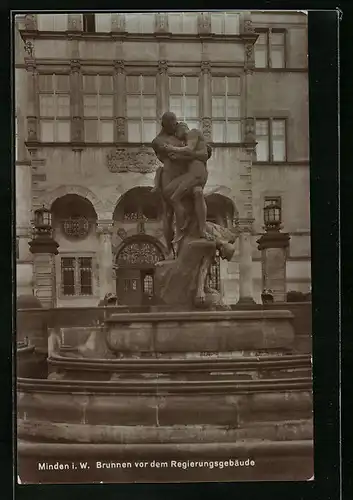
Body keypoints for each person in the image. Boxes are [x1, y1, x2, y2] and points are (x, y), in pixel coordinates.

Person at [159, 122, 209, 239]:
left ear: (183, 128)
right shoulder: (190, 141)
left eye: (177, 132)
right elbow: (194, 154)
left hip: (197, 174)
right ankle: (187, 224)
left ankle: (186, 228)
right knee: (170, 191)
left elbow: (190, 150)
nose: (177, 135)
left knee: (176, 197)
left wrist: (173, 148)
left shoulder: (192, 133)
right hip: (192, 174)